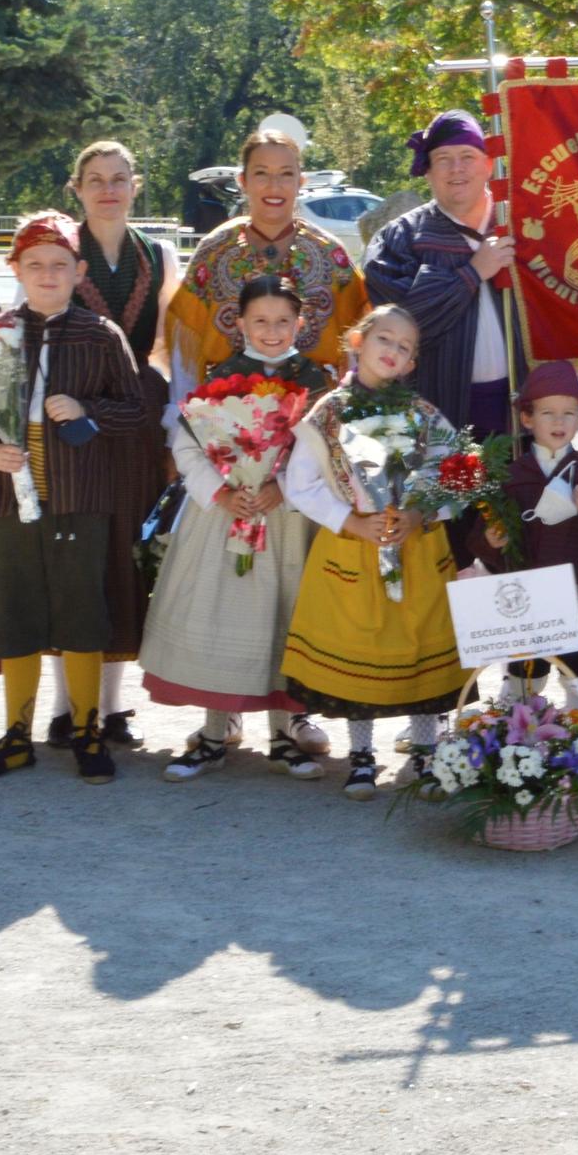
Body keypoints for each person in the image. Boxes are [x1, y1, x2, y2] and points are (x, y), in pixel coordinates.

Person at [0, 211, 147, 785]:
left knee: (81, 608)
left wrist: (89, 410)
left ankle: (87, 729)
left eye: (59, 265)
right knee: (18, 610)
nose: (47, 275)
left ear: (79, 271)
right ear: (15, 269)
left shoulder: (99, 336)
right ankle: (16, 735)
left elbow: (134, 410)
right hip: (9, 497)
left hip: (78, 496)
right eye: (33, 265)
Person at [143, 276, 333, 782]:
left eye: (282, 321)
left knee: (282, 615)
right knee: (222, 614)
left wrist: (284, 488)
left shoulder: (317, 383)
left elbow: (326, 451)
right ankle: (212, 734)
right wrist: (222, 493)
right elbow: (187, 446)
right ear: (239, 323)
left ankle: (282, 735)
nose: (272, 331)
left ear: (300, 323)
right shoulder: (220, 378)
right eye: (260, 321)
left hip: (290, 521)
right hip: (228, 516)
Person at [280, 305, 469, 801]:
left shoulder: (425, 416)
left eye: (405, 348)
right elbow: (300, 484)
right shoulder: (326, 414)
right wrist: (350, 522)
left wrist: (422, 515)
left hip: (419, 551)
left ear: (411, 364)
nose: (393, 351)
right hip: (353, 551)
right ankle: (362, 757)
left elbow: (462, 475)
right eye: (385, 339)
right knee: (359, 648)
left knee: (421, 643)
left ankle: (425, 753)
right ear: (357, 342)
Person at [41, 140, 181, 752]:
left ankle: (113, 704)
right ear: (76, 187)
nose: (107, 189)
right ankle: (64, 703)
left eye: (119, 178)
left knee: (126, 553)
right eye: (95, 179)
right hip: (69, 413)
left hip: (135, 418)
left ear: (136, 184)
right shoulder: (58, 248)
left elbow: (168, 344)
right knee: (72, 555)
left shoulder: (160, 253)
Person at [468, 360, 578, 708]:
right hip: (524, 596)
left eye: (569, 413)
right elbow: (477, 536)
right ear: (527, 418)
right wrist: (491, 541)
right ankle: (521, 747)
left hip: (576, 591)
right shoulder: (511, 475)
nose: (559, 422)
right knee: (523, 680)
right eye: (548, 413)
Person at [362, 110, 527, 441]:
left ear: (488, 164)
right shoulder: (399, 241)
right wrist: (473, 273)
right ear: (427, 172)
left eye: (468, 156)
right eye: (443, 159)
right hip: (437, 415)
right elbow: (404, 329)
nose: (457, 169)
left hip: (525, 411)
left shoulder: (524, 226)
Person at [168, 128, 367, 396]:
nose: (274, 185)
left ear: (301, 181)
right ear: (243, 181)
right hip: (226, 414)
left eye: (286, 174)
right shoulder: (214, 250)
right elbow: (185, 351)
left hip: (313, 415)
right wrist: (185, 415)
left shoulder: (330, 253)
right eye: (261, 173)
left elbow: (357, 344)